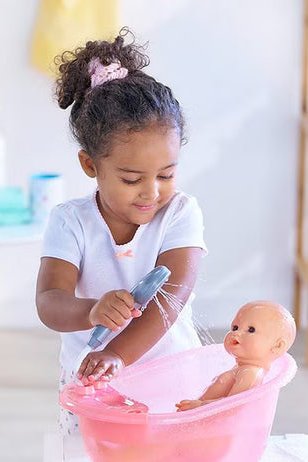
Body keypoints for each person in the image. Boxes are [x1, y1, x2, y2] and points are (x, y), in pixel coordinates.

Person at [35, 28, 207, 433]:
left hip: (171, 376)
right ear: (90, 165)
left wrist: (118, 354)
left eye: (166, 174)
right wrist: (90, 310)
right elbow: (48, 301)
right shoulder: (70, 221)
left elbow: (170, 301)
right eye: (131, 179)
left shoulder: (181, 213)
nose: (152, 192)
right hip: (95, 385)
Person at [176, 301, 296, 411]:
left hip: (219, 429)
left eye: (251, 330)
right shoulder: (241, 369)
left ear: (278, 346)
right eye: (235, 327)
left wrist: (200, 406)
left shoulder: (250, 373)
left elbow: (233, 407)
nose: (236, 333)